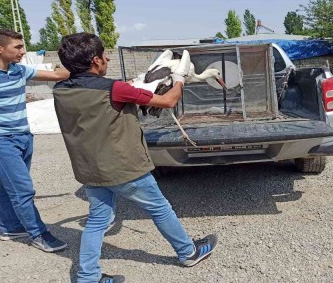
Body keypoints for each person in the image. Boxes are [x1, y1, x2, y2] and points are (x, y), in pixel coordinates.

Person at [53, 33, 217, 283]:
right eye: (105, 54)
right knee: (160, 209)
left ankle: (87, 277)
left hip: (90, 168)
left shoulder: (61, 90)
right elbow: (168, 101)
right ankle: (188, 252)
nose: (108, 57)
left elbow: (101, 91)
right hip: (124, 167)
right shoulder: (115, 89)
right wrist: (180, 79)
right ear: (96, 61)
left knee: (97, 221)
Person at [0, 29, 70, 253]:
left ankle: (11, 227)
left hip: (23, 136)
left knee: (10, 185)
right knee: (22, 189)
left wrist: (88, 67)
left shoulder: (19, 70)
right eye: (17, 47)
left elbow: (57, 76)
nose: (23, 52)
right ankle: (39, 234)